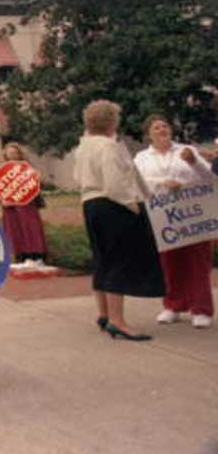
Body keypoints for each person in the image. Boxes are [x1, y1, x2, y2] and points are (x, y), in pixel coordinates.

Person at [73, 100, 165, 341]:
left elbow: (77, 177)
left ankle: (103, 314)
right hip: (112, 205)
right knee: (118, 261)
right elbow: (114, 183)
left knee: (102, 258)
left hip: (91, 203)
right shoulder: (108, 146)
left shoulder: (83, 146)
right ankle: (118, 321)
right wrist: (133, 206)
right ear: (112, 121)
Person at [133, 114, 215, 329]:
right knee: (169, 262)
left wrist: (194, 162)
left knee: (198, 260)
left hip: (194, 214)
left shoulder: (186, 150)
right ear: (148, 134)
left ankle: (201, 308)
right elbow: (136, 181)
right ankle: (173, 305)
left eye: (165, 126)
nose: (162, 130)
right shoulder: (142, 157)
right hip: (164, 216)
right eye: (156, 127)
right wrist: (162, 182)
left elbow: (208, 178)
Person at [0, 142, 49, 265]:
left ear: (20, 154)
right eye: (10, 153)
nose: (13, 155)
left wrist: (38, 180)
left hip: (27, 206)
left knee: (31, 229)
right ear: (5, 155)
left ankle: (36, 256)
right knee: (14, 231)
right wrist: (2, 201)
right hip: (10, 209)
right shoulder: (1, 171)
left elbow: (38, 185)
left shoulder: (28, 169)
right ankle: (21, 256)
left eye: (15, 153)